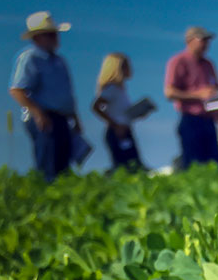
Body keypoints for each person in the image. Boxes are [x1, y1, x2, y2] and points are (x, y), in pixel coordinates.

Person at [8, 11, 82, 182]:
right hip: (44, 119)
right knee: (48, 165)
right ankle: (46, 198)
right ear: (37, 38)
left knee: (63, 164)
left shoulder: (60, 61)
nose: (55, 38)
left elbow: (67, 94)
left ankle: (61, 198)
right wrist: (38, 113)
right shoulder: (30, 58)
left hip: (62, 118)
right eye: (50, 35)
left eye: (55, 34)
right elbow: (17, 90)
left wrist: (76, 119)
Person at [165, 26, 218, 169]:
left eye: (207, 41)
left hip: (209, 120)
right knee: (194, 165)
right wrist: (199, 95)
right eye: (202, 40)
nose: (206, 44)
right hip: (191, 119)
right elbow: (169, 92)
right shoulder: (178, 61)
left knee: (215, 164)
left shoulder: (209, 64)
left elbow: (216, 88)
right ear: (190, 40)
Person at [91, 53, 145, 172]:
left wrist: (138, 113)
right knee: (124, 167)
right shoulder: (111, 89)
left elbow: (121, 113)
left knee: (134, 165)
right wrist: (114, 125)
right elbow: (95, 106)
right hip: (117, 132)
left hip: (125, 130)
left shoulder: (121, 89)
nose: (129, 69)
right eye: (125, 66)